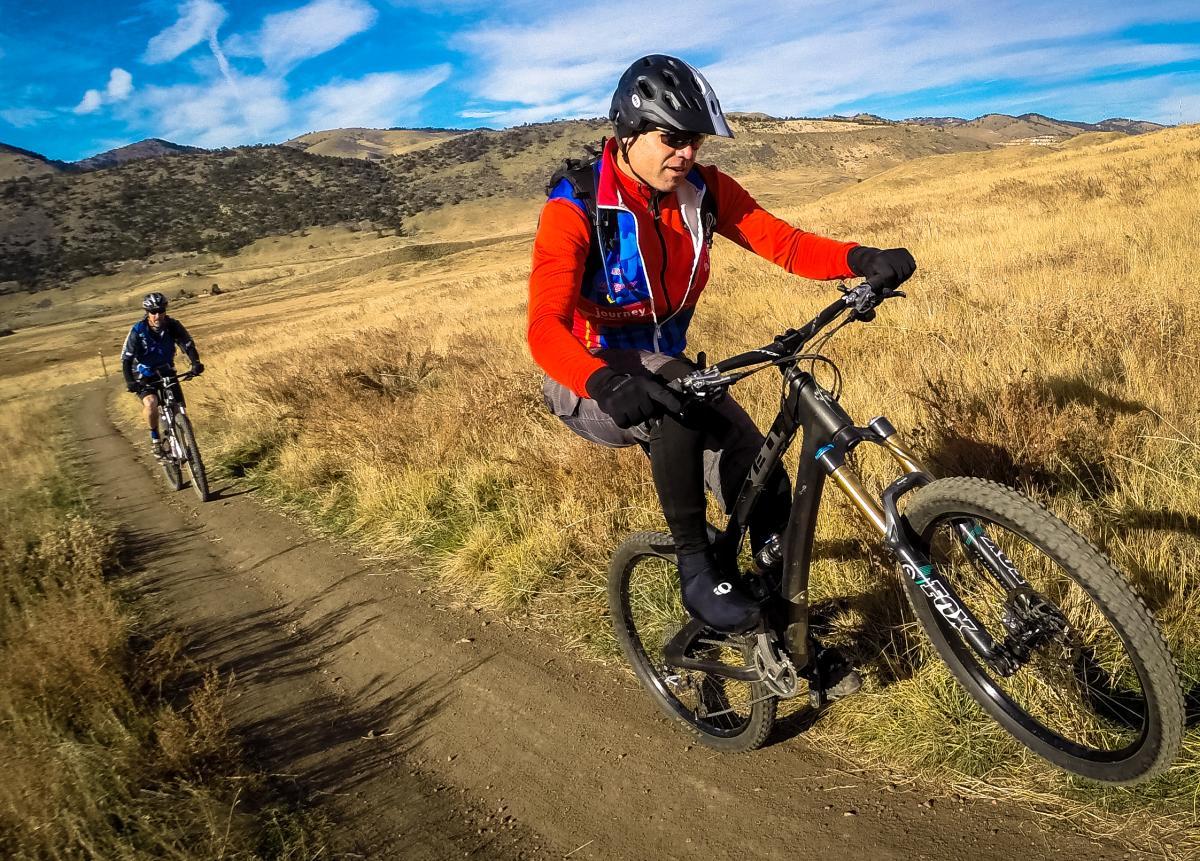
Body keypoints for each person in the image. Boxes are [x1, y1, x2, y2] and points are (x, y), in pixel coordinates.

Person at [527, 55, 915, 639]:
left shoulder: (703, 193)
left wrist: (860, 258)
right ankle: (695, 568)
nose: (687, 154)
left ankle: (780, 632)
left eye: (697, 141)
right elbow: (544, 328)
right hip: (588, 379)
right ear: (628, 133)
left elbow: (784, 243)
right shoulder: (576, 208)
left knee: (763, 480)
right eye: (672, 139)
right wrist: (602, 381)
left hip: (674, 372)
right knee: (670, 396)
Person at [121, 292, 204, 458]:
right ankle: (156, 440)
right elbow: (126, 359)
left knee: (179, 409)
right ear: (147, 312)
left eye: (160, 311)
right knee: (151, 403)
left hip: (166, 369)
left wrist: (195, 363)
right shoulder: (138, 330)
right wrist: (130, 381)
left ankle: (189, 446)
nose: (157, 315)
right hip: (143, 373)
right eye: (153, 312)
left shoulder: (173, 326)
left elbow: (187, 345)